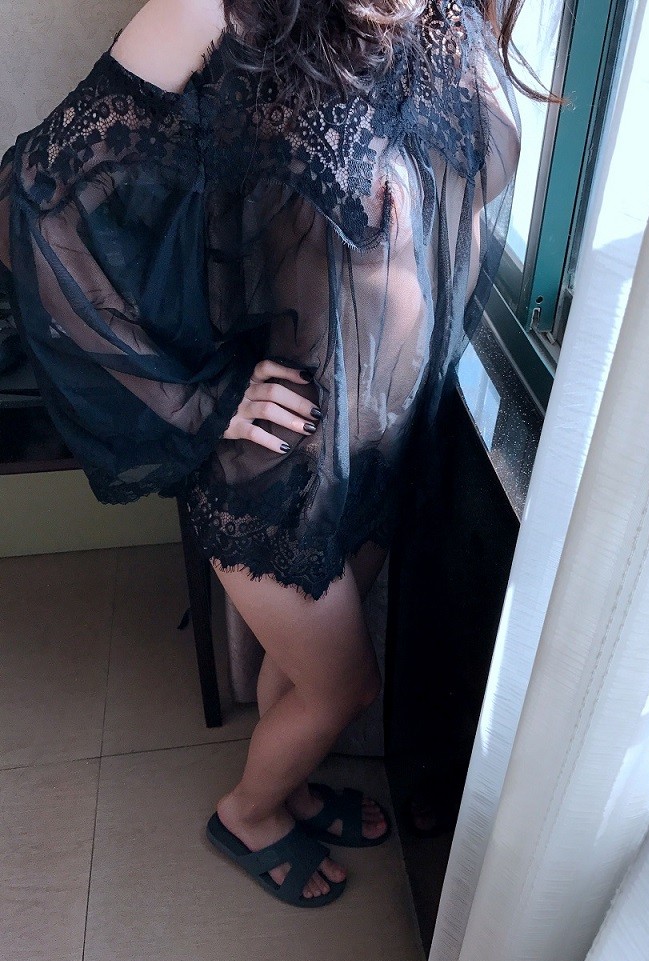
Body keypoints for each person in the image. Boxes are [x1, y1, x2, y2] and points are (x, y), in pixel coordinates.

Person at [0, 0, 522, 906]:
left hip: (377, 446)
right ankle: (247, 813)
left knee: (309, 667)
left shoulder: (444, 15)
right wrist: (199, 400)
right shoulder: (220, 8)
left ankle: (292, 783)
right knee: (345, 686)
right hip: (278, 465)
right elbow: (34, 208)